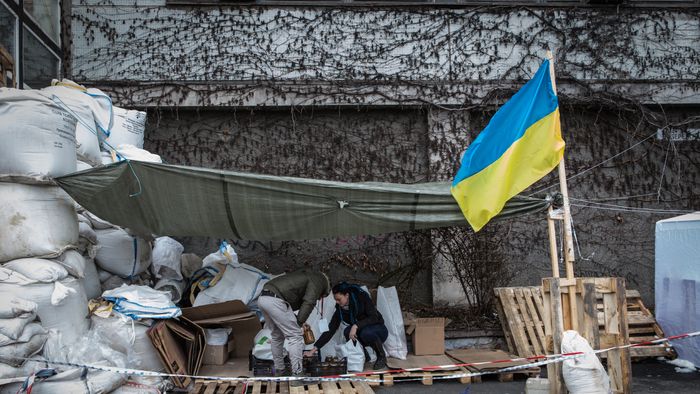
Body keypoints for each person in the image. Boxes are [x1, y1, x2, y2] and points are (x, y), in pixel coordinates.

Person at [257, 268, 331, 381]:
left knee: (277, 336)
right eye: (321, 297)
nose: (319, 298)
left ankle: (279, 370)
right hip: (275, 300)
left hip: (264, 298)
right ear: (326, 289)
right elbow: (309, 301)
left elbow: (285, 309)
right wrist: (299, 323)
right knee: (295, 336)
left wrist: (299, 321)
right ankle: (297, 375)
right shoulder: (319, 280)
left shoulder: (307, 275)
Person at [304, 282, 388, 370]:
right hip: (363, 330)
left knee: (365, 333)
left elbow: (374, 317)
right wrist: (313, 350)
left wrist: (356, 326)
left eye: (339, 299)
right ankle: (364, 356)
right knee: (347, 332)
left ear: (346, 295)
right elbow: (330, 330)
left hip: (378, 330)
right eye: (335, 300)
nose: (337, 302)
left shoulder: (362, 298)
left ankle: (381, 357)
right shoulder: (340, 309)